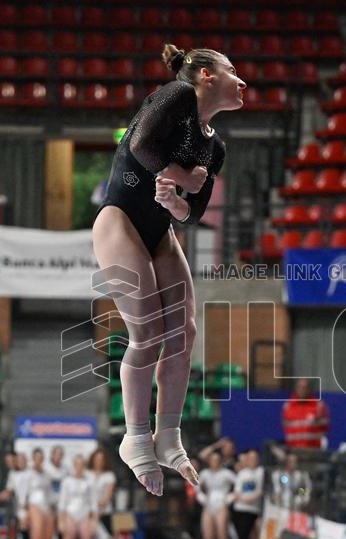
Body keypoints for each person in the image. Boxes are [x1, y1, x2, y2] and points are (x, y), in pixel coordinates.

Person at [92, 44, 244, 496]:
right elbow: (140, 144)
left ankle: (168, 435)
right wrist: (180, 175)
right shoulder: (177, 96)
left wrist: (179, 202)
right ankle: (135, 435)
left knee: (184, 334)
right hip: (118, 219)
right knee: (148, 333)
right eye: (232, 71)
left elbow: (192, 213)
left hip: (160, 231)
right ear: (204, 75)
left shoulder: (214, 146)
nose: (242, 81)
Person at [56, 455, 98, 539]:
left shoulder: (89, 481)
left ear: (84, 465)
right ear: (74, 465)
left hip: (84, 515)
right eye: (77, 464)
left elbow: (93, 503)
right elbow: (62, 502)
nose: (79, 467)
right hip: (70, 515)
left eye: (81, 464)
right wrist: (61, 521)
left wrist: (94, 520)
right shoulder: (67, 481)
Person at [197, 451, 236, 539]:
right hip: (208, 506)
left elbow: (239, 485)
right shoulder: (205, 474)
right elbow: (196, 486)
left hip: (221, 506)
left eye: (217, 459)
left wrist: (229, 498)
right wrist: (201, 497)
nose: (214, 462)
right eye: (212, 459)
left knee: (223, 537)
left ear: (220, 461)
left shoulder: (227, 473)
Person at [230, 449, 264, 539]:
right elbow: (237, 491)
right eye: (250, 458)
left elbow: (260, 491)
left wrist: (249, 499)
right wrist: (243, 499)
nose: (252, 460)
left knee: (252, 538)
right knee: (241, 538)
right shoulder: (242, 473)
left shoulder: (261, 473)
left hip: (253, 511)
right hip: (239, 509)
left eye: (255, 458)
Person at [24, 448, 55, 539]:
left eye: (41, 457)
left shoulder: (46, 474)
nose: (39, 460)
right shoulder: (28, 474)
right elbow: (22, 494)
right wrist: (24, 513)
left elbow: (50, 493)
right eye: (36, 457)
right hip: (34, 505)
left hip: (46, 506)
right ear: (33, 458)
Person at [88, 448, 117, 539]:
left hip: (104, 513)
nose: (99, 462)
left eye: (101, 460)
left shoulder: (109, 476)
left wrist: (97, 512)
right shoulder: (86, 473)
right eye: (97, 459)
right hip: (88, 512)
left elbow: (107, 497)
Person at [281, 378, 330, 449]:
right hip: (294, 451)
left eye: (305, 388)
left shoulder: (318, 406)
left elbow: (325, 428)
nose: (302, 390)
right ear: (296, 389)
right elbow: (286, 429)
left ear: (309, 389)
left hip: (313, 451)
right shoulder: (288, 406)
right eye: (299, 387)